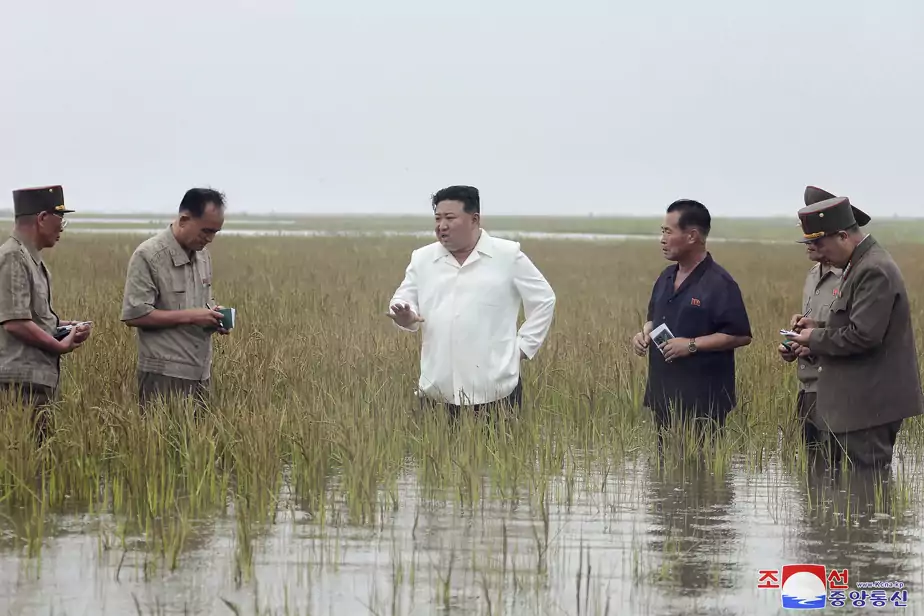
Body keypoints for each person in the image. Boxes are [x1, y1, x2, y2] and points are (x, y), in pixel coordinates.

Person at [386, 185, 556, 420]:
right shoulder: (423, 258)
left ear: (474, 219)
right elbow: (403, 299)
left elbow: (544, 299)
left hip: (496, 392)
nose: (441, 225)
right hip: (438, 391)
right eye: (437, 218)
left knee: (501, 456)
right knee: (435, 455)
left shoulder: (507, 256)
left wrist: (523, 348)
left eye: (450, 218)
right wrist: (406, 316)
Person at [784, 195, 923, 470]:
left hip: (867, 409)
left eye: (820, 244)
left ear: (843, 236)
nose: (817, 252)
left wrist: (813, 338)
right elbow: (854, 325)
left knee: (865, 492)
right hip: (852, 407)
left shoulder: (873, 269)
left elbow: (864, 335)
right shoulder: (856, 265)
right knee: (840, 495)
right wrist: (818, 329)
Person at [631, 199, 752, 451]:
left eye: (668, 232)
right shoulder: (666, 277)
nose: (662, 239)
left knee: (704, 471)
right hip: (663, 394)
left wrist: (692, 345)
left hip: (703, 400)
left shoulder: (719, 283)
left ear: (692, 236)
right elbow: (654, 319)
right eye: (661, 232)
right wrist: (643, 335)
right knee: (666, 471)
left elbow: (740, 335)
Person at [120, 188, 229, 410]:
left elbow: (202, 302)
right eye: (206, 231)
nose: (210, 239)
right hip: (163, 374)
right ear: (184, 219)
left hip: (200, 372)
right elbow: (135, 314)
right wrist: (191, 317)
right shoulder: (148, 255)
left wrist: (214, 314)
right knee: (160, 443)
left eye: (215, 232)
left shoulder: (203, 256)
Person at [0, 185, 92, 440]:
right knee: (24, 465)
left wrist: (64, 326)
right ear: (41, 218)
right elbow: (15, 322)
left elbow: (30, 317)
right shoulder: (13, 257)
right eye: (60, 219)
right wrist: (58, 345)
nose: (62, 227)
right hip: (19, 385)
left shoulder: (32, 259)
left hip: (35, 381)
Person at [778, 186, 861, 453]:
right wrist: (796, 341)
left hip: (839, 392)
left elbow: (858, 334)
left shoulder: (858, 275)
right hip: (808, 390)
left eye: (816, 240)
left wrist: (813, 340)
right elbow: (818, 325)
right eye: (808, 240)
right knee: (813, 479)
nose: (810, 247)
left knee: (843, 477)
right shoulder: (813, 275)